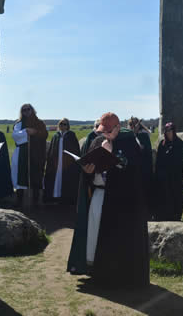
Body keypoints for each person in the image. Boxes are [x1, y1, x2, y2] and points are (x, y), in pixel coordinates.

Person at [67, 112, 150, 288]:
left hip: (121, 201)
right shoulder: (98, 141)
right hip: (99, 195)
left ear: (118, 127)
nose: (105, 134)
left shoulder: (129, 142)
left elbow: (133, 170)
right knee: (95, 234)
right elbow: (90, 168)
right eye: (102, 131)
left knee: (117, 239)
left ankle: (118, 276)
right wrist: (88, 172)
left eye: (109, 131)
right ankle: (95, 269)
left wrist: (113, 154)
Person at [10, 104, 48, 206]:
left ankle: (35, 202)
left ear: (32, 110)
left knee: (36, 177)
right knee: (21, 175)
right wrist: (25, 131)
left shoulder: (39, 123)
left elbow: (44, 134)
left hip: (36, 154)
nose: (26, 111)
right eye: (24, 110)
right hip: (22, 154)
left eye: (28, 109)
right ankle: (19, 201)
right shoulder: (18, 124)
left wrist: (35, 132)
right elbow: (15, 135)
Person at [152, 122, 183, 221]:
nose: (168, 132)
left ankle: (175, 217)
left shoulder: (180, 143)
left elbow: (179, 161)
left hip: (175, 177)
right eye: (166, 131)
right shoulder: (162, 144)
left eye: (170, 130)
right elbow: (158, 161)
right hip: (163, 177)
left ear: (174, 131)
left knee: (175, 197)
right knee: (163, 197)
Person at [43, 118, 81, 204]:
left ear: (68, 126)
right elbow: (51, 150)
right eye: (61, 124)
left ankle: (66, 198)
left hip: (67, 163)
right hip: (56, 163)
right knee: (55, 180)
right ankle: (55, 197)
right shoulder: (56, 136)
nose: (62, 126)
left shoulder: (71, 135)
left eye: (64, 124)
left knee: (66, 179)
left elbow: (75, 150)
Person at [129, 117, 154, 217]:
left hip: (143, 170)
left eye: (133, 125)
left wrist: (140, 148)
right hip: (134, 170)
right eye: (130, 125)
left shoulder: (143, 136)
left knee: (144, 192)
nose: (131, 127)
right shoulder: (129, 136)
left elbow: (146, 152)